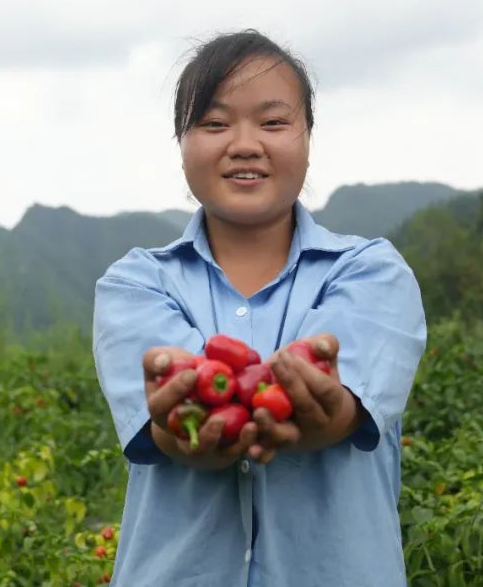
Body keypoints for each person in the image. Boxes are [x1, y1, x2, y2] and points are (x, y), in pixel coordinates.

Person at [93, 29, 427, 586]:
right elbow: (175, 433)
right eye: (215, 123)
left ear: (307, 137)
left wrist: (324, 413)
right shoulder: (135, 285)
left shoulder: (374, 274)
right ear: (182, 141)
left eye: (273, 123)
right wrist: (190, 430)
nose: (245, 144)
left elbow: (340, 412)